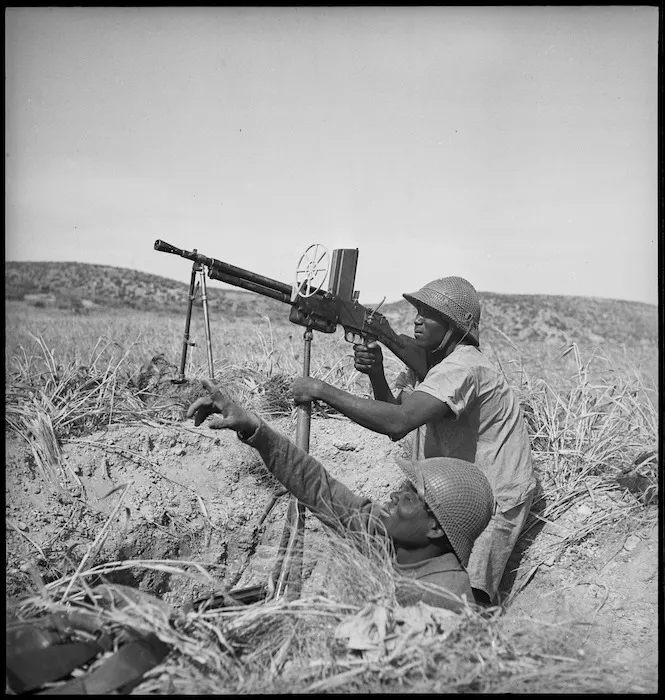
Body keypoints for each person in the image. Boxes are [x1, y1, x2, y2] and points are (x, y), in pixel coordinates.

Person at [291, 276, 537, 606]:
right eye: (417, 310)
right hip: (449, 491)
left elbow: (397, 423)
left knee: (466, 598)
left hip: (494, 496)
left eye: (429, 314)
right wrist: (377, 373)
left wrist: (321, 391)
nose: (417, 319)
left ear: (454, 327)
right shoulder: (432, 367)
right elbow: (401, 415)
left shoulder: (463, 367)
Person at [186, 379, 494, 612]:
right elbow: (319, 488)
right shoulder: (389, 538)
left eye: (411, 496)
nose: (395, 496)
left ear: (436, 527)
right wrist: (254, 428)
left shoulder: (443, 599)